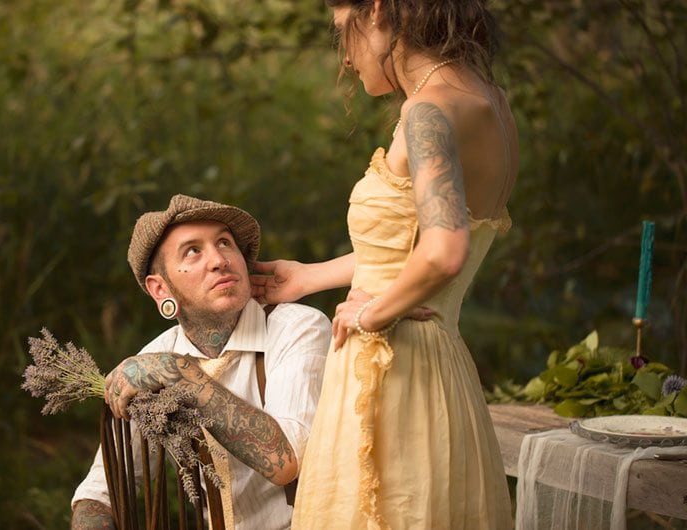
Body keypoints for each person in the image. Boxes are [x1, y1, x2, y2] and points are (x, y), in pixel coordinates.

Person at [251, 1, 518, 528]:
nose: (345, 60)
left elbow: (443, 251)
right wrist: (311, 276)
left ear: (374, 11)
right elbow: (411, 251)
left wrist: (370, 316)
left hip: (393, 374)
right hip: (445, 378)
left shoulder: (427, 112)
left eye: (339, 32)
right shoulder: (492, 103)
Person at [70, 194, 331, 530]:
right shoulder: (153, 361)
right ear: (161, 289)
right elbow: (98, 494)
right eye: (193, 251)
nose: (219, 260)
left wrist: (180, 375)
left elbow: (287, 461)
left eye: (224, 242)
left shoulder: (297, 327)